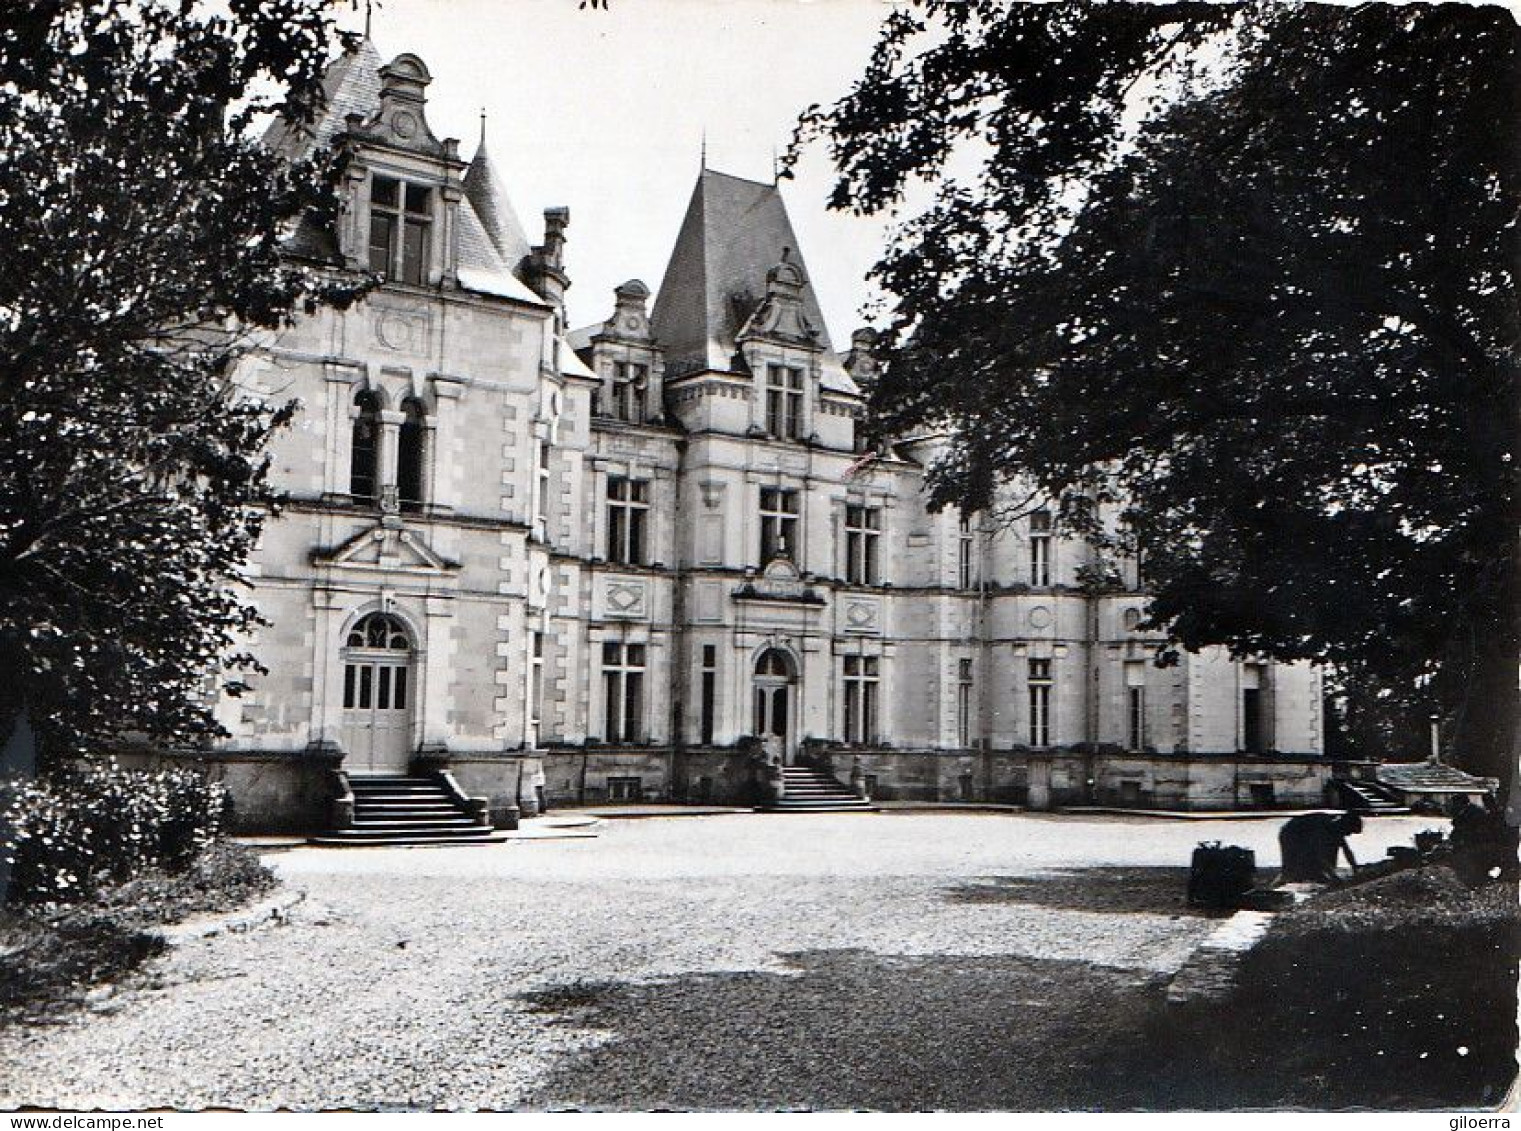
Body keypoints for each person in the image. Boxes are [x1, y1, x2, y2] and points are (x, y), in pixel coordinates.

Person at [1276, 810, 1363, 884]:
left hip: (1303, 832)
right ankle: (1285, 880)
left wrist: (1355, 867)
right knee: (1292, 865)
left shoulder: (1337, 827)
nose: (1349, 834)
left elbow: (1346, 850)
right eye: (1350, 831)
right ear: (1346, 826)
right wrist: (1334, 877)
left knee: (1329, 853)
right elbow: (1319, 855)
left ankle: (1315, 873)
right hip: (1291, 833)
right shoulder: (1326, 828)